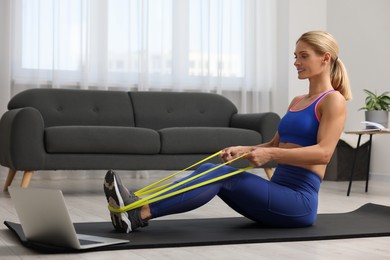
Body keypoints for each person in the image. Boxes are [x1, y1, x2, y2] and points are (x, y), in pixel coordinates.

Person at [103, 31, 352, 233]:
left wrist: (269, 155)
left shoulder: (333, 101)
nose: (296, 62)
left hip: (298, 203)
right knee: (210, 169)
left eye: (303, 56)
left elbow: (324, 154)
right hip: (277, 192)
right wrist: (246, 150)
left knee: (222, 175)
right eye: (295, 56)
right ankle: (134, 203)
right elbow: (276, 143)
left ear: (325, 58)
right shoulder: (298, 100)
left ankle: (138, 214)